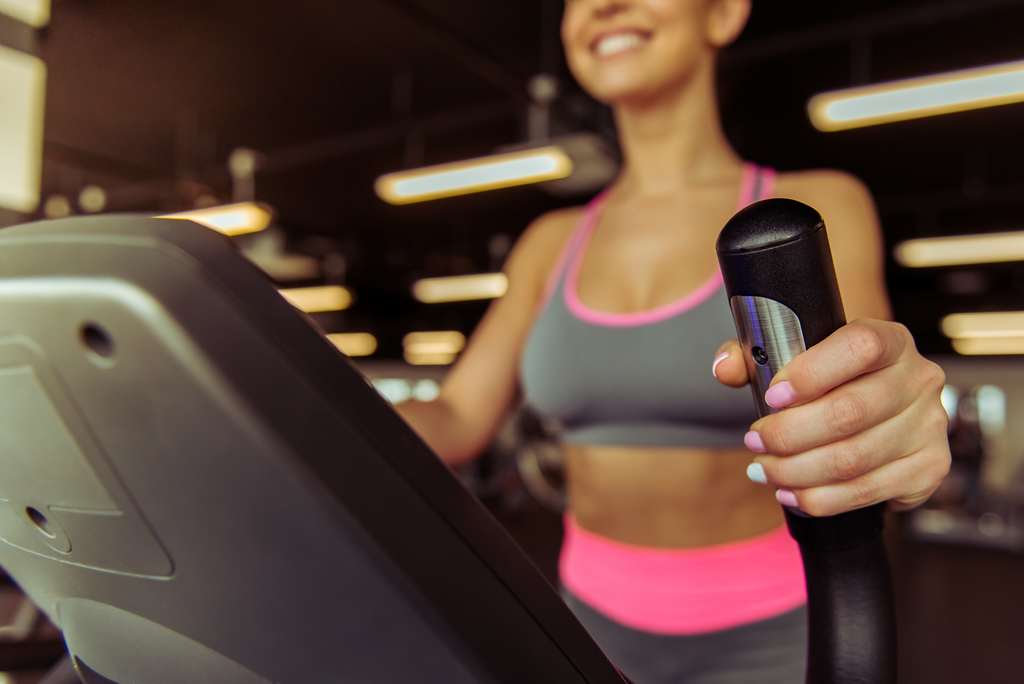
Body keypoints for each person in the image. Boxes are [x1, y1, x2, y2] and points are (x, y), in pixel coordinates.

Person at [396, 1, 952, 681]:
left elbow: (861, 391)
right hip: (584, 623)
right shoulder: (549, 242)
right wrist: (290, 387)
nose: (603, 6)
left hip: (774, 633)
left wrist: (892, 411)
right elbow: (455, 417)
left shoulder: (814, 206)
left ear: (722, 14)